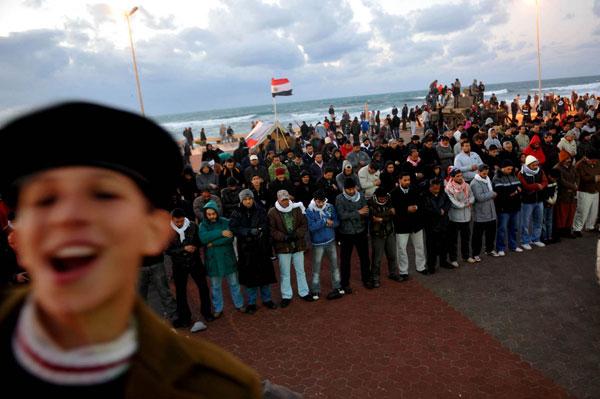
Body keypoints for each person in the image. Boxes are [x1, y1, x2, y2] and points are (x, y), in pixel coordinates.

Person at [0, 102, 261, 397]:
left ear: (154, 231)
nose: (68, 217)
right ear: (18, 238)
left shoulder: (216, 389)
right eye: (45, 199)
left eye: (103, 195)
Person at [229, 189, 278, 314]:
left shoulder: (260, 210)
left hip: (261, 247)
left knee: (265, 276)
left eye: (249, 198)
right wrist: (249, 232)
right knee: (250, 278)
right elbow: (234, 227)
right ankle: (251, 303)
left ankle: (267, 300)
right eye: (245, 199)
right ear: (241, 200)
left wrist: (260, 231)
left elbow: (266, 224)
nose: (248, 201)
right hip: (246, 250)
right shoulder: (236, 212)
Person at [166, 208, 214, 330]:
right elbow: (167, 250)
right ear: (172, 220)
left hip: (195, 262)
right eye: (177, 222)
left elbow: (200, 241)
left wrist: (195, 246)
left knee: (203, 287)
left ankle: (207, 312)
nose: (179, 224)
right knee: (181, 292)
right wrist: (183, 249)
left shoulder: (193, 226)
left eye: (181, 221)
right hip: (179, 265)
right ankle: (185, 317)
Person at [268, 190, 313, 307]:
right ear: (278, 199)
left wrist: (296, 234)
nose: (285, 202)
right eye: (283, 199)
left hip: (298, 244)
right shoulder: (272, 212)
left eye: (286, 199)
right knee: (284, 272)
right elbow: (272, 230)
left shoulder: (297, 208)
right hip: (283, 246)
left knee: (300, 270)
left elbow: (304, 224)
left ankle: (304, 292)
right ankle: (286, 295)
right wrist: (284, 237)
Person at [306, 190, 344, 300]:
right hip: (317, 243)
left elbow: (336, 222)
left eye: (322, 202)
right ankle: (315, 290)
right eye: (318, 202)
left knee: (335, 266)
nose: (321, 204)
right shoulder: (309, 210)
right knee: (316, 268)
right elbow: (311, 227)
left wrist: (332, 224)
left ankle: (337, 286)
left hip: (331, 241)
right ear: (314, 200)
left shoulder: (330, 207)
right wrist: (324, 222)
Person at [335, 178, 371, 291]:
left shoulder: (361, 195)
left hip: (361, 231)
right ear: (344, 189)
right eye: (348, 189)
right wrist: (358, 212)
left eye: (352, 189)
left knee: (365, 258)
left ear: (355, 187)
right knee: (345, 260)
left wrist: (354, 214)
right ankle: (345, 283)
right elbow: (341, 215)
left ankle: (367, 279)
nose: (351, 191)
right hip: (346, 234)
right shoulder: (339, 198)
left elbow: (366, 212)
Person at [391, 172, 427, 277]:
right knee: (401, 248)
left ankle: (421, 267)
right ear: (399, 180)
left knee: (420, 246)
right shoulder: (393, 193)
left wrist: (417, 207)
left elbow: (421, 203)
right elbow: (393, 209)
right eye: (405, 180)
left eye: (409, 180)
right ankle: (403, 271)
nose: (407, 182)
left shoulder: (415, 189)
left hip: (416, 224)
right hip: (402, 225)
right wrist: (406, 209)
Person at [369, 187, 400, 283]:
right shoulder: (370, 203)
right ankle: (375, 277)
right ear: (376, 197)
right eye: (380, 198)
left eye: (384, 198)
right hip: (377, 234)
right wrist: (387, 213)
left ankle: (393, 273)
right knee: (377, 258)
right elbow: (373, 216)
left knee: (392, 255)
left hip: (389, 231)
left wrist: (380, 217)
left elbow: (392, 214)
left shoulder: (389, 200)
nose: (383, 199)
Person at [446, 168, 476, 266]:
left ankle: (466, 256)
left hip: (466, 216)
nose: (460, 178)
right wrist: (465, 204)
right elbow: (453, 203)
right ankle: (453, 259)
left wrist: (468, 202)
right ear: (452, 177)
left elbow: (472, 197)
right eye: (457, 176)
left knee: (466, 238)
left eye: (461, 175)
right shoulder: (448, 188)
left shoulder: (466, 185)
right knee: (453, 240)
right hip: (454, 218)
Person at [517, 155, 548, 249]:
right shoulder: (521, 173)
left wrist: (541, 186)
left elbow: (545, 181)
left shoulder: (540, 171)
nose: (536, 166)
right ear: (528, 164)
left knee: (538, 221)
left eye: (536, 164)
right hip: (527, 201)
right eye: (534, 165)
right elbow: (525, 185)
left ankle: (536, 239)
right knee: (525, 223)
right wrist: (537, 186)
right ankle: (525, 241)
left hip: (539, 200)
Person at [492, 160, 523, 255]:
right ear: (502, 168)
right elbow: (500, 194)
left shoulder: (514, 176)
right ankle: (500, 248)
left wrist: (513, 192)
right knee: (502, 229)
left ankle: (513, 246)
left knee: (514, 228)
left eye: (511, 169)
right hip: (503, 208)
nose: (510, 170)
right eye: (508, 169)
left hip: (515, 206)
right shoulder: (497, 178)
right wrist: (514, 192)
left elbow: (520, 188)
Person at [422, 179, 453, 272]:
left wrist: (444, 209)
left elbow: (448, 202)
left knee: (444, 244)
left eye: (438, 187)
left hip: (443, 223)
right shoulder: (425, 196)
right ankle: (431, 265)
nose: (437, 189)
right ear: (430, 187)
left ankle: (443, 261)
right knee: (431, 246)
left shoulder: (443, 193)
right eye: (434, 187)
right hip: (431, 225)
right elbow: (426, 208)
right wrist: (439, 211)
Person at [470, 165, 498, 260]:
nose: (485, 175)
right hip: (480, 214)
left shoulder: (487, 179)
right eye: (483, 173)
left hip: (491, 212)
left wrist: (490, 195)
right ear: (478, 172)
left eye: (487, 173)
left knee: (491, 233)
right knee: (477, 235)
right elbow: (480, 197)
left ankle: (489, 250)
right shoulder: (474, 183)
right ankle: (475, 253)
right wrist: (492, 194)